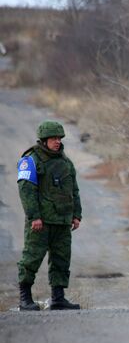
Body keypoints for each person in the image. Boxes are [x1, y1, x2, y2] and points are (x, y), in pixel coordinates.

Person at [17, 120, 82, 311]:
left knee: (62, 259)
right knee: (32, 258)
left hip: (62, 221)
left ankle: (58, 298)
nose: (57, 142)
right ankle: (24, 298)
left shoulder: (65, 162)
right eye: (53, 138)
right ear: (44, 140)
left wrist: (76, 215)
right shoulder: (30, 160)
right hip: (41, 222)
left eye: (59, 138)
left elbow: (74, 191)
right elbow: (26, 191)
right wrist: (34, 216)